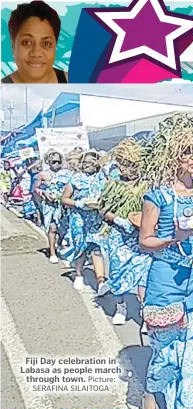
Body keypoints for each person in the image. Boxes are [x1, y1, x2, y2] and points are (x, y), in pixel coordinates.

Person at [140, 114, 193, 409]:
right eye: (187, 151)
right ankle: (153, 389)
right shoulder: (158, 195)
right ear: (173, 155)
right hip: (165, 283)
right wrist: (173, 238)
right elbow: (145, 240)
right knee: (166, 353)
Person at [98, 136, 151, 326]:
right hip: (118, 237)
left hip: (141, 236)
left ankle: (146, 315)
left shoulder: (148, 184)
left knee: (144, 275)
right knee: (119, 271)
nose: (126, 169)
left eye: (130, 164)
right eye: (123, 164)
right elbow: (102, 209)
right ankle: (120, 307)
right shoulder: (113, 184)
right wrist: (119, 220)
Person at [60, 151, 108, 294]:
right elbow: (64, 199)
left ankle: (101, 282)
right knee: (80, 247)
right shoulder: (75, 179)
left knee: (96, 249)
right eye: (85, 162)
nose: (88, 164)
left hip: (95, 219)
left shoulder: (103, 179)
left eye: (91, 161)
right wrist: (79, 203)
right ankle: (79, 274)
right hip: (79, 219)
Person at [3, 2, 67, 82]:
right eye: (26, 42)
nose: (36, 53)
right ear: (13, 46)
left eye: (46, 43)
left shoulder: (75, 83)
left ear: (55, 47)